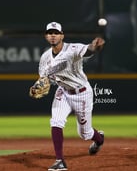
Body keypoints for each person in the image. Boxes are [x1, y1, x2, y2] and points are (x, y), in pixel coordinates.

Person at [30, 22, 105, 171]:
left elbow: (89, 50)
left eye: (56, 32)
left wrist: (95, 45)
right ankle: (60, 161)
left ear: (62, 35)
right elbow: (45, 79)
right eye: (50, 32)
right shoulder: (45, 57)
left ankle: (99, 139)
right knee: (56, 122)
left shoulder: (73, 49)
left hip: (82, 93)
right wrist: (37, 86)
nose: (53, 35)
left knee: (85, 133)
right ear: (46, 36)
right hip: (63, 92)